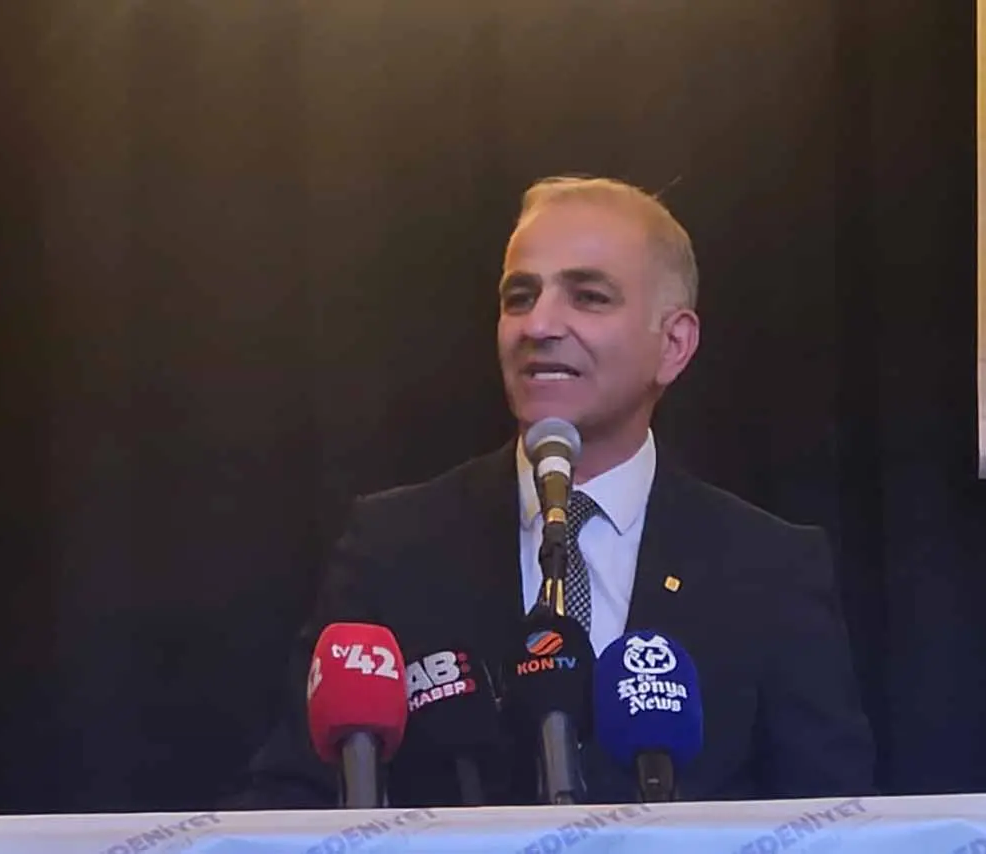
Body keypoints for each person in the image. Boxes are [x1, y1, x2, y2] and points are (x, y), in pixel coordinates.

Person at [229, 176, 874, 808]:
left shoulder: (770, 567)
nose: (538, 324)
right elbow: (293, 801)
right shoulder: (394, 547)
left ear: (674, 345)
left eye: (588, 297)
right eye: (519, 297)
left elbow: (837, 821)